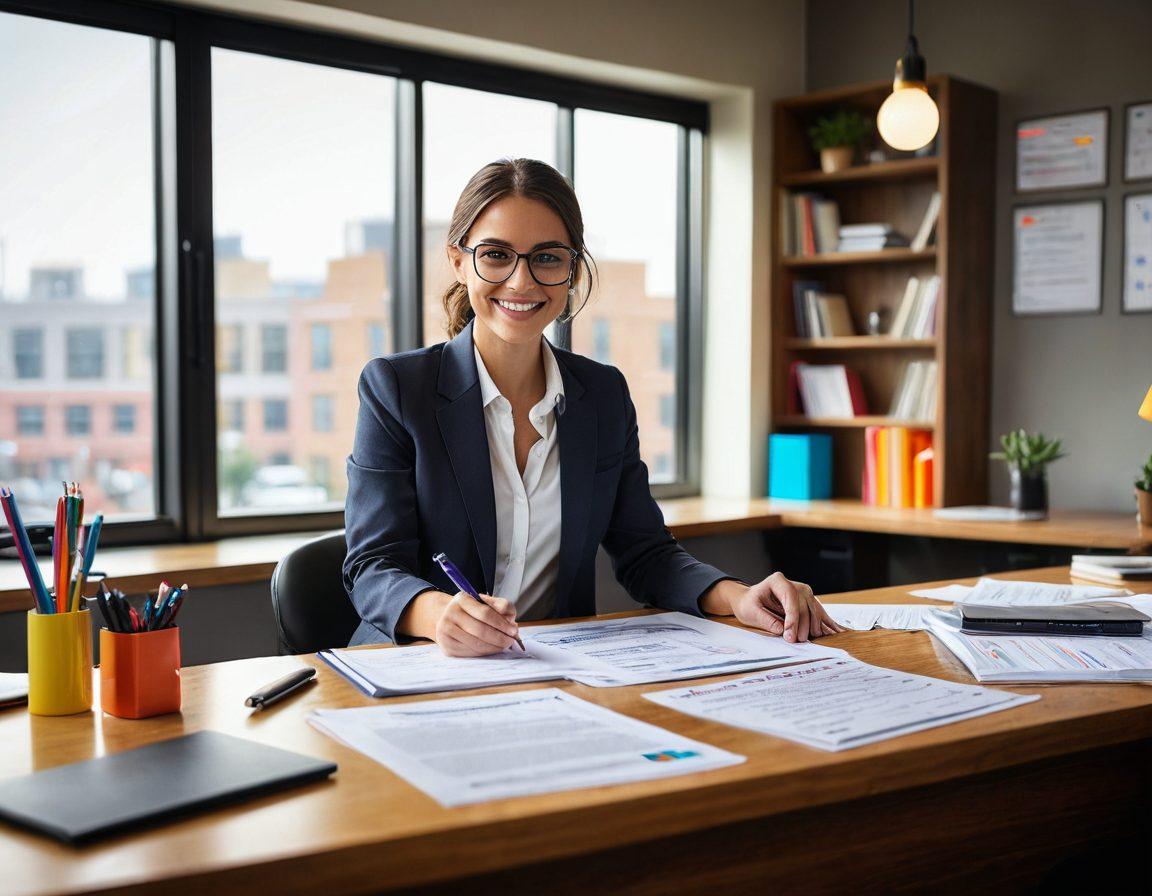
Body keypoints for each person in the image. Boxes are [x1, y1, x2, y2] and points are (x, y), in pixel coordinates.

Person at [343, 158, 843, 653]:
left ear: (573, 270)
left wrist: (739, 597)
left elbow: (645, 552)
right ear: (458, 261)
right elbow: (372, 566)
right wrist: (438, 614)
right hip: (416, 665)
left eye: (547, 257)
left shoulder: (602, 396)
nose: (521, 282)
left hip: (553, 670)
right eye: (495, 255)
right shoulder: (396, 388)